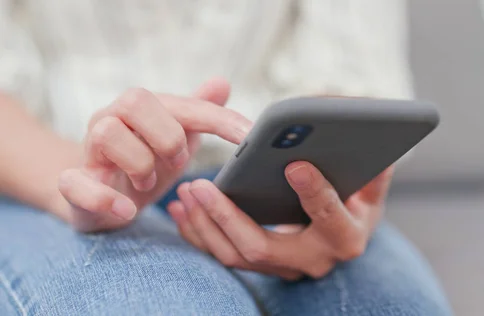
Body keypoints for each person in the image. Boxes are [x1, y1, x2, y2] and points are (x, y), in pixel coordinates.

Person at [0, 1, 452, 315]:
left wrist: (321, 195)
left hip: (265, 177)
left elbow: (349, 77)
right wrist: (83, 181)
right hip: (46, 172)